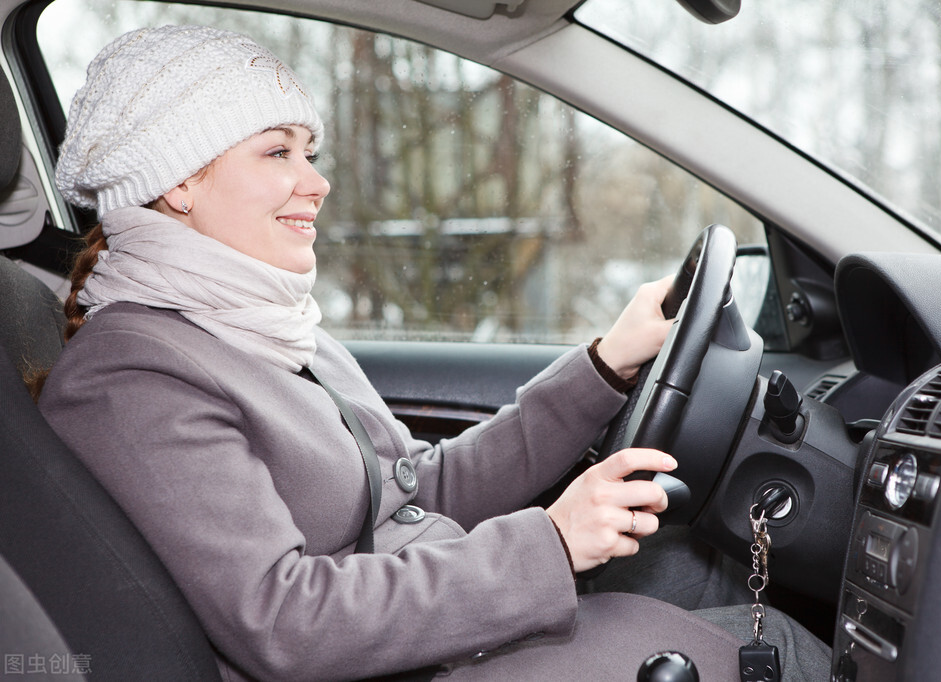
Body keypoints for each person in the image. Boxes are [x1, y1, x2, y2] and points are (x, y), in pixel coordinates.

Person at [37, 25, 831, 681]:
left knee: (705, 566)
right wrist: (549, 543)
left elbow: (422, 487)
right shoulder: (133, 375)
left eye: (308, 151)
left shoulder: (261, 324)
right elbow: (283, 623)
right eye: (277, 153)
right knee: (783, 650)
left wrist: (602, 365)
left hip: (430, 623)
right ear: (178, 181)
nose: (315, 183)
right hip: (392, 664)